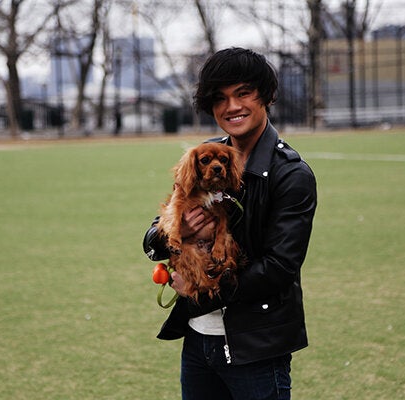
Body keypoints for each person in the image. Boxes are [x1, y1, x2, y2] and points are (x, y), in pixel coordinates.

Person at [143, 47, 317, 399]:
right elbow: (155, 232)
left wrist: (200, 291)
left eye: (243, 93)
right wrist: (178, 237)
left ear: (266, 96)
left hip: (255, 346)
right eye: (220, 98)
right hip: (197, 340)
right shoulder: (203, 157)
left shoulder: (291, 174)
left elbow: (279, 268)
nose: (232, 106)